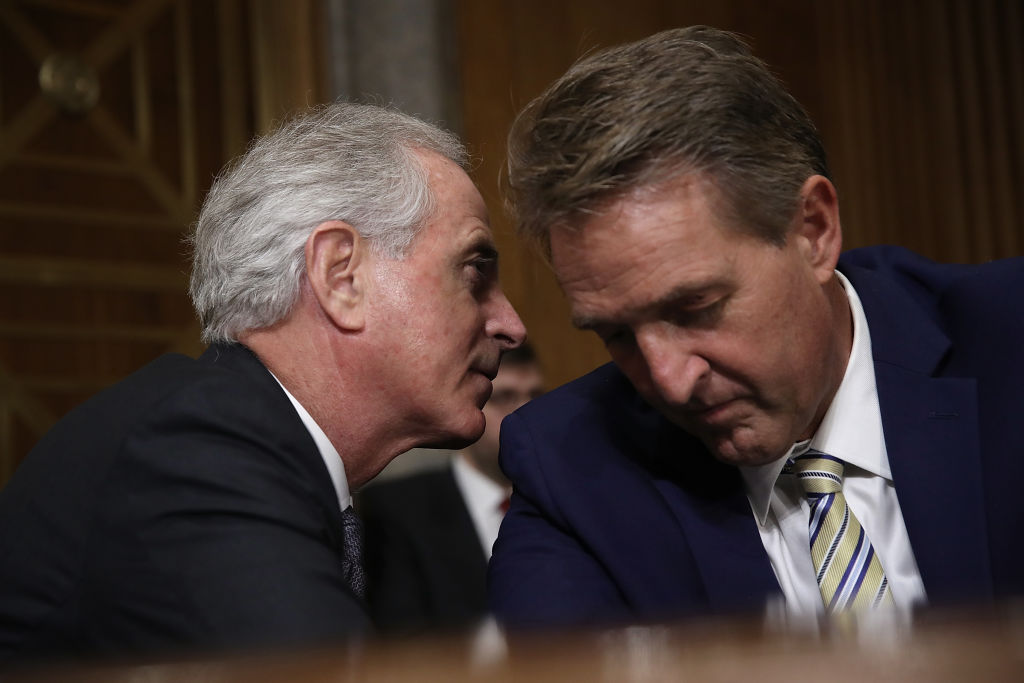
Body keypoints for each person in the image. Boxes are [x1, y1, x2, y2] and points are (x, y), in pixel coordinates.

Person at [488, 26, 1024, 631]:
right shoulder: (572, 466)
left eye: (695, 308)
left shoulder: (1010, 337)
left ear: (813, 231)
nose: (668, 381)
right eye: (616, 334)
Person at [0, 102, 526, 663]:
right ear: (340, 275)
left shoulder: (241, 440)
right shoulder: (197, 452)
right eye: (475, 272)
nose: (510, 325)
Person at [359, 343, 543, 635]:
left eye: (535, 396)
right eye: (505, 398)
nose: (525, 414)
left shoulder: (561, 502)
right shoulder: (398, 511)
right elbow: (400, 641)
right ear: (470, 405)